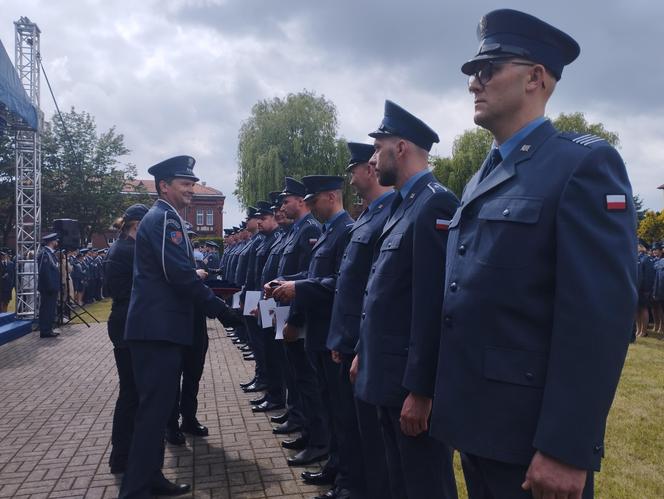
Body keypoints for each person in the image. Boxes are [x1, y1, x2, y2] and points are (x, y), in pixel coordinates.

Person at [430, 9, 637, 499]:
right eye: (472, 74)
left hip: (532, 440)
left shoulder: (582, 165)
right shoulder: (483, 175)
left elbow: (598, 317)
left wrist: (567, 447)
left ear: (535, 79)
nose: (473, 84)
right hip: (478, 423)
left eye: (488, 69)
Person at [351, 100, 459, 499]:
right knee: (399, 484)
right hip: (385, 376)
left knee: (424, 485)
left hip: (408, 387)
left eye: (378, 149)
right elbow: (383, 293)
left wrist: (422, 390)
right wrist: (365, 350)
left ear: (401, 149)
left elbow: (432, 304)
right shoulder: (402, 205)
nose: (373, 160)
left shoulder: (435, 203)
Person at [119, 156, 235, 498]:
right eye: (184, 184)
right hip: (158, 331)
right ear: (164, 186)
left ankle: (150, 477)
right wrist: (219, 309)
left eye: (193, 183)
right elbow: (180, 275)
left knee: (155, 413)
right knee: (152, 414)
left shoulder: (165, 218)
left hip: (159, 330)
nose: (191, 189)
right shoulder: (165, 220)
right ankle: (137, 488)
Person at [323, 142, 394, 499]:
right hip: (349, 340)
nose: (351, 178)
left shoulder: (389, 214)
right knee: (351, 425)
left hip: (365, 345)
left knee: (371, 436)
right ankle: (352, 484)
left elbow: (376, 291)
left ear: (370, 169)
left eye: (355, 170)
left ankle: (360, 487)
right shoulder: (365, 216)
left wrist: (359, 346)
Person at [264, 177, 324, 465]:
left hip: (297, 312)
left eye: (286, 200)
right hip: (285, 309)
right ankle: (304, 427)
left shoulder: (310, 228)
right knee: (295, 374)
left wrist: (296, 320)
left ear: (300, 201)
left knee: (305, 379)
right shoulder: (295, 231)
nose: (282, 206)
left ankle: (315, 437)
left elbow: (310, 277)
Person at [103, 203, 149, 474]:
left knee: (130, 392)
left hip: (122, 323)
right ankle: (123, 455)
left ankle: (121, 455)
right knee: (132, 393)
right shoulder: (130, 250)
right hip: (129, 325)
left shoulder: (120, 247)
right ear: (138, 226)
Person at [37, 233, 61, 338]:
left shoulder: (50, 254)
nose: (57, 242)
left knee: (50, 309)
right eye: (56, 241)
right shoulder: (45, 254)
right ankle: (45, 330)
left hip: (51, 286)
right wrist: (50, 286)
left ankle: (48, 329)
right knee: (47, 309)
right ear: (52, 242)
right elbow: (44, 272)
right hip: (48, 287)